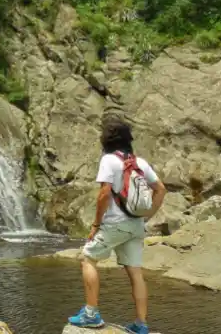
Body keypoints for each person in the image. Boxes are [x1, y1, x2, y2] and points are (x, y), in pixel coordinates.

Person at [68, 118, 167, 334]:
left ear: (106, 140)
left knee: (88, 258)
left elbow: (104, 193)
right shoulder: (140, 163)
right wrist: (147, 215)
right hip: (135, 225)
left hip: (115, 223)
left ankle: (91, 314)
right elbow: (160, 188)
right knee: (135, 272)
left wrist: (96, 224)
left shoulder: (109, 160)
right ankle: (141, 325)